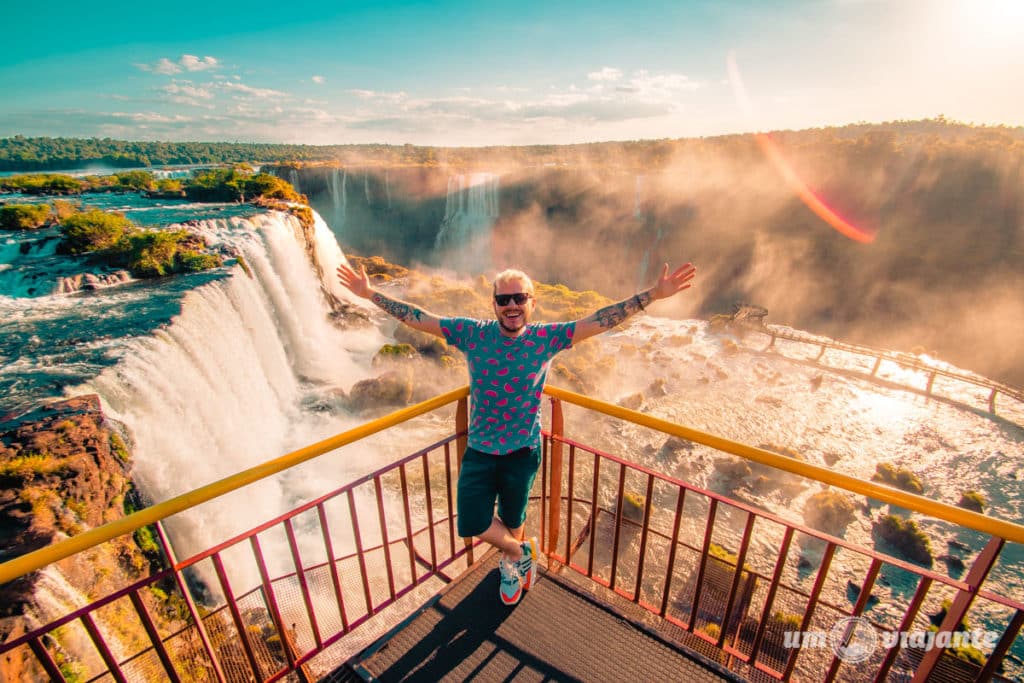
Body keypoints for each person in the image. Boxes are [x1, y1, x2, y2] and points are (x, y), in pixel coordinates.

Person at [336, 261, 697, 605]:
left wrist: (651, 295)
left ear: (531, 303)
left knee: (514, 517)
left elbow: (600, 320)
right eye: (504, 299)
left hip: (523, 451)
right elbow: (418, 318)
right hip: (480, 449)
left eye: (519, 298)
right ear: (493, 304)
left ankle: (513, 567)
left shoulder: (549, 338)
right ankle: (520, 551)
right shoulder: (471, 333)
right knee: (473, 520)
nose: (512, 306)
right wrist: (370, 295)